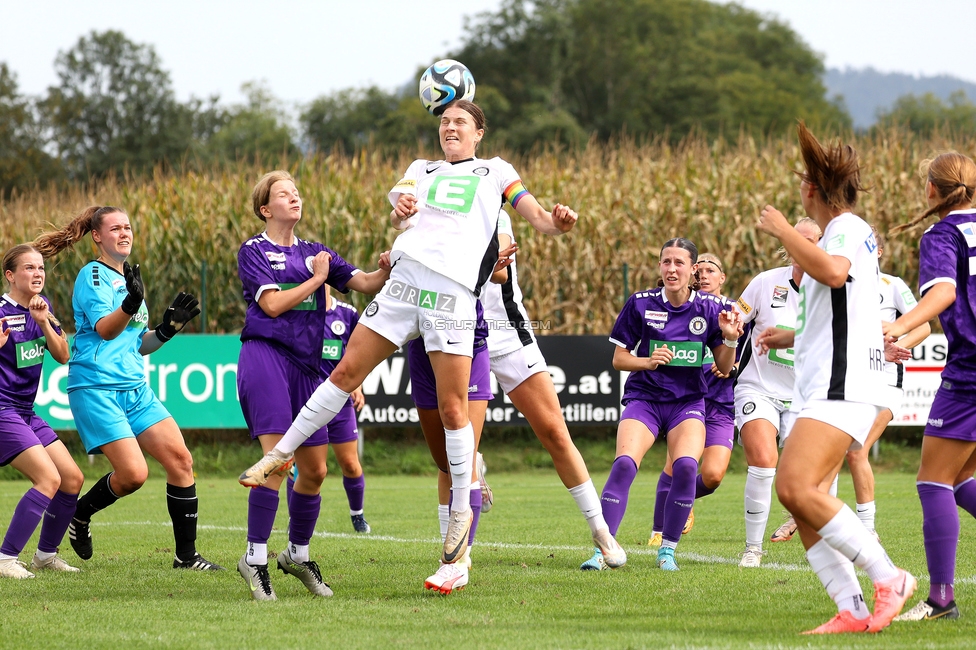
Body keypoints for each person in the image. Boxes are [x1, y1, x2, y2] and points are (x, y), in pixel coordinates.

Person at [240, 99, 628, 580]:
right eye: (444, 121)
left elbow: (539, 217)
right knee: (345, 372)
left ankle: (475, 520)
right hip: (406, 281)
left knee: (457, 412)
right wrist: (400, 209)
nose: (450, 126)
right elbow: (401, 214)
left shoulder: (496, 171)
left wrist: (558, 221)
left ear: (479, 133)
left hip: (457, 297)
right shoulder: (419, 168)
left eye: (460, 121)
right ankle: (277, 457)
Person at [756, 122, 914, 634]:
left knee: (797, 487)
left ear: (810, 191)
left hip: (841, 385)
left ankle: (889, 578)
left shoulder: (843, 227)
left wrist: (782, 230)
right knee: (801, 500)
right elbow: (832, 300)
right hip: (828, 385)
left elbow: (833, 272)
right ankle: (851, 606)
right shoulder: (847, 231)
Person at [33, 207, 221, 570]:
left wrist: (166, 330)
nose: (124, 233)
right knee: (134, 475)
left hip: (135, 387)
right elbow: (105, 329)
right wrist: (130, 303)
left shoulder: (130, 280)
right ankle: (81, 514)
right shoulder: (93, 275)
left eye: (128, 227)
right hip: (97, 387)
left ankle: (186, 557)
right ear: (97, 237)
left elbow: (136, 343)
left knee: (181, 460)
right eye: (115, 228)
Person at [235, 171, 391, 601]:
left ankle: (297, 555)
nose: (294, 197)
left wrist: (386, 268)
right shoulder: (254, 250)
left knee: (317, 470)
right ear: (266, 209)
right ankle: (254, 558)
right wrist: (317, 280)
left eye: (297, 192)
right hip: (265, 356)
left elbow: (362, 283)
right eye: (284, 193)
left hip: (308, 368)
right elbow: (271, 304)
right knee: (276, 463)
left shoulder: (315, 251)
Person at [480, 208, 633, 572]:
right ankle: (458, 553)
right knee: (457, 439)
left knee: (554, 432)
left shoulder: (493, 209)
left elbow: (500, 271)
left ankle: (600, 529)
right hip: (454, 331)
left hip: (508, 334)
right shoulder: (436, 204)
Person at [584, 238, 741, 572]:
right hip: (645, 399)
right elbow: (618, 359)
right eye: (666, 262)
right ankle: (602, 550)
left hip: (687, 403)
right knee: (624, 464)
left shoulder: (710, 309)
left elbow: (725, 368)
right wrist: (647, 361)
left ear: (692, 269)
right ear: (660, 267)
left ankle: (667, 549)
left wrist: (728, 338)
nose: (671, 269)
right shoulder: (640, 303)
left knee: (686, 467)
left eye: (679, 263)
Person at [885, 152, 976, 622]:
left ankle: (941, 601)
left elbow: (943, 295)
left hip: (970, 371)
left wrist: (896, 328)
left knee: (932, 481)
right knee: (962, 479)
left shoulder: (942, 234)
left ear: (933, 191)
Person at [730, 218, 822, 568]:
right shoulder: (766, 282)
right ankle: (753, 548)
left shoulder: (830, 288)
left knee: (803, 478)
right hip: (760, 388)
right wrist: (730, 324)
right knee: (764, 462)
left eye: (810, 240)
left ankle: (824, 534)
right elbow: (735, 315)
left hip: (806, 396)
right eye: (796, 239)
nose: (802, 246)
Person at [0, 245, 84, 578]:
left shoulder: (42, 309)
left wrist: (43, 322)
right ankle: (6, 558)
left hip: (25, 411)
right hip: (2, 409)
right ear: (10, 275)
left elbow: (63, 355)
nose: (38, 274)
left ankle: (45, 555)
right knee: (48, 478)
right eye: (29, 268)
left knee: (72, 479)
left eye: (41, 268)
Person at [843, 227, 929, 541]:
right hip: (850, 381)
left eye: (866, 248)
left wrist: (894, 338)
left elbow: (924, 326)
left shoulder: (891, 285)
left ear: (878, 252)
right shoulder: (844, 287)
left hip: (884, 382)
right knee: (832, 449)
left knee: (856, 450)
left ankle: (868, 531)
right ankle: (807, 516)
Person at [646, 253, 735, 550]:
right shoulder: (683, 307)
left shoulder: (733, 310)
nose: (705, 276)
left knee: (712, 475)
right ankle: (659, 532)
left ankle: (683, 500)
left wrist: (734, 364)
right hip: (687, 399)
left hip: (720, 403)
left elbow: (751, 344)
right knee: (676, 464)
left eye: (712, 270)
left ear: (723, 277)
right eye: (702, 270)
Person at [286, 284, 371, 535]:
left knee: (350, 464)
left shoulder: (347, 314)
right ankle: (296, 519)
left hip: (339, 399)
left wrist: (357, 384)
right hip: (306, 400)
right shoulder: (296, 313)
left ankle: (358, 516)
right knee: (306, 467)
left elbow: (362, 353)